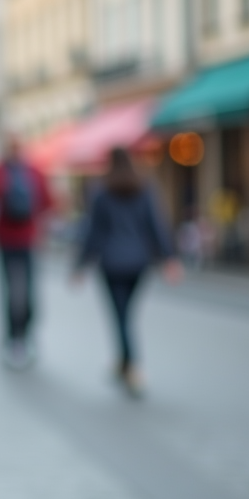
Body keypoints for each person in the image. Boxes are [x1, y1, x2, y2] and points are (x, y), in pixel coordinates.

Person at [73, 148, 181, 397]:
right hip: (138, 262)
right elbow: (156, 224)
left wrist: (81, 265)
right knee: (127, 314)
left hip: (111, 262)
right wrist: (169, 259)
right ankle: (124, 363)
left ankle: (132, 366)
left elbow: (93, 233)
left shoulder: (101, 191)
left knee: (120, 316)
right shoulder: (144, 187)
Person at [0, 131, 53, 369]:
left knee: (11, 292)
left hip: (7, 238)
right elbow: (49, 202)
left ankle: (14, 340)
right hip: (26, 239)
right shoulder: (34, 171)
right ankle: (23, 338)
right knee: (26, 291)